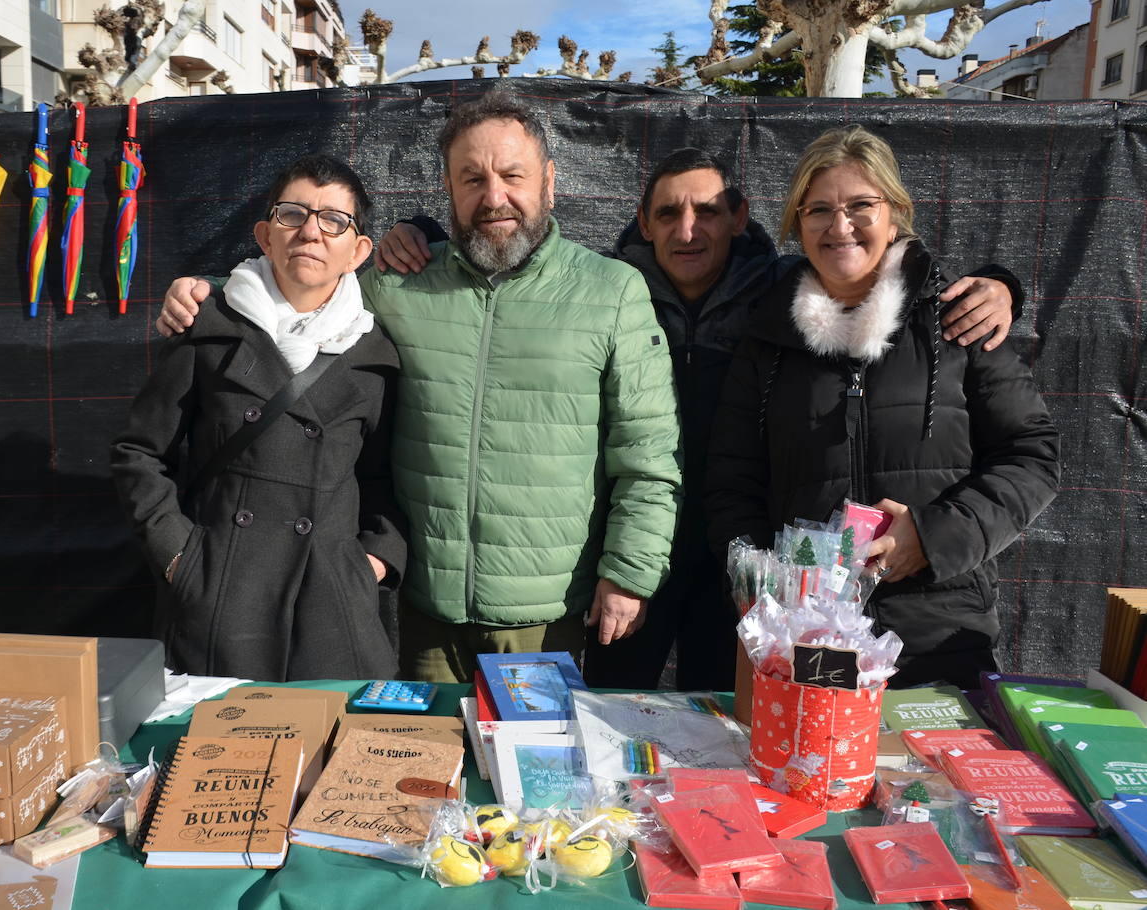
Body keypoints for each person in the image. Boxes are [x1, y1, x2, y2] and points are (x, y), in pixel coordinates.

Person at [367, 148, 1018, 691]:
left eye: (707, 211)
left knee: (720, 724)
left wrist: (998, 283)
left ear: (738, 218)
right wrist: (420, 231)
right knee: (613, 708)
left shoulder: (782, 291)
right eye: (668, 213)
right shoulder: (606, 288)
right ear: (643, 224)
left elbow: (879, 275)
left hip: (736, 562)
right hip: (628, 550)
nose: (688, 229)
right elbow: (513, 266)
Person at [157, 93, 682, 684]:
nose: (494, 197)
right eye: (472, 178)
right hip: (422, 610)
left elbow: (648, 455)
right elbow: (302, 284)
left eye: (513, 176)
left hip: (545, 615)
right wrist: (206, 290)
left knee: (532, 771)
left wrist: (629, 574)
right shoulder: (399, 284)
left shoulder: (612, 292)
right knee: (424, 769)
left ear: (549, 182)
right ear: (448, 188)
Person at [704, 125, 1059, 690]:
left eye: (860, 205)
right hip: (804, 642)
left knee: (926, 780)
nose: (839, 226)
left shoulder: (956, 321)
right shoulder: (767, 342)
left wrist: (933, 537)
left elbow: (1032, 456)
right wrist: (765, 596)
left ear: (895, 213)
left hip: (939, 635)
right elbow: (732, 481)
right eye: (817, 209)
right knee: (807, 775)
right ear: (797, 224)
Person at [110, 155, 406, 681]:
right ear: (266, 235)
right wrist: (180, 556)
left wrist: (374, 561)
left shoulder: (375, 355)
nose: (311, 231)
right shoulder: (208, 328)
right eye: (294, 215)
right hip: (222, 597)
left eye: (334, 221)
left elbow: (385, 478)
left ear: (358, 252)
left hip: (332, 608)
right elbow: (139, 453)